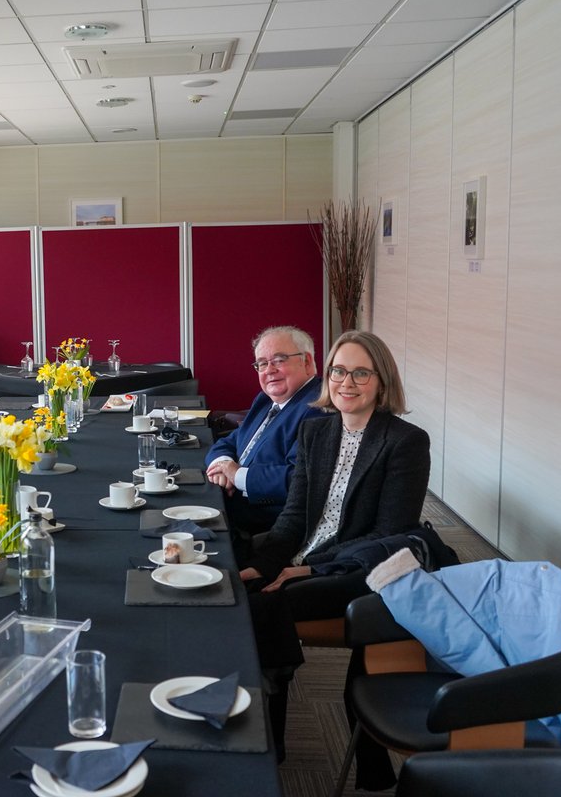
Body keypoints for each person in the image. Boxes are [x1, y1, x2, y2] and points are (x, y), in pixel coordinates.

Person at [239, 330, 431, 787]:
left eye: (361, 372)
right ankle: (264, 719)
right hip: (310, 556)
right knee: (238, 584)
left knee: (265, 604)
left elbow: (388, 535)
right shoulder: (315, 430)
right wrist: (262, 563)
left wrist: (308, 569)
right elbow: (291, 521)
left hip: (363, 570)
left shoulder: (405, 441)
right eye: (339, 371)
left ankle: (271, 742)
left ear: (381, 382)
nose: (347, 382)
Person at [205, 326, 324, 556]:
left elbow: (297, 480)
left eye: (279, 360)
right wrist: (223, 465)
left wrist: (237, 476)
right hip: (228, 502)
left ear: (307, 362)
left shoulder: (315, 411)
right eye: (261, 363)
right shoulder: (267, 400)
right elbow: (229, 442)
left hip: (259, 526)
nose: (269, 370)